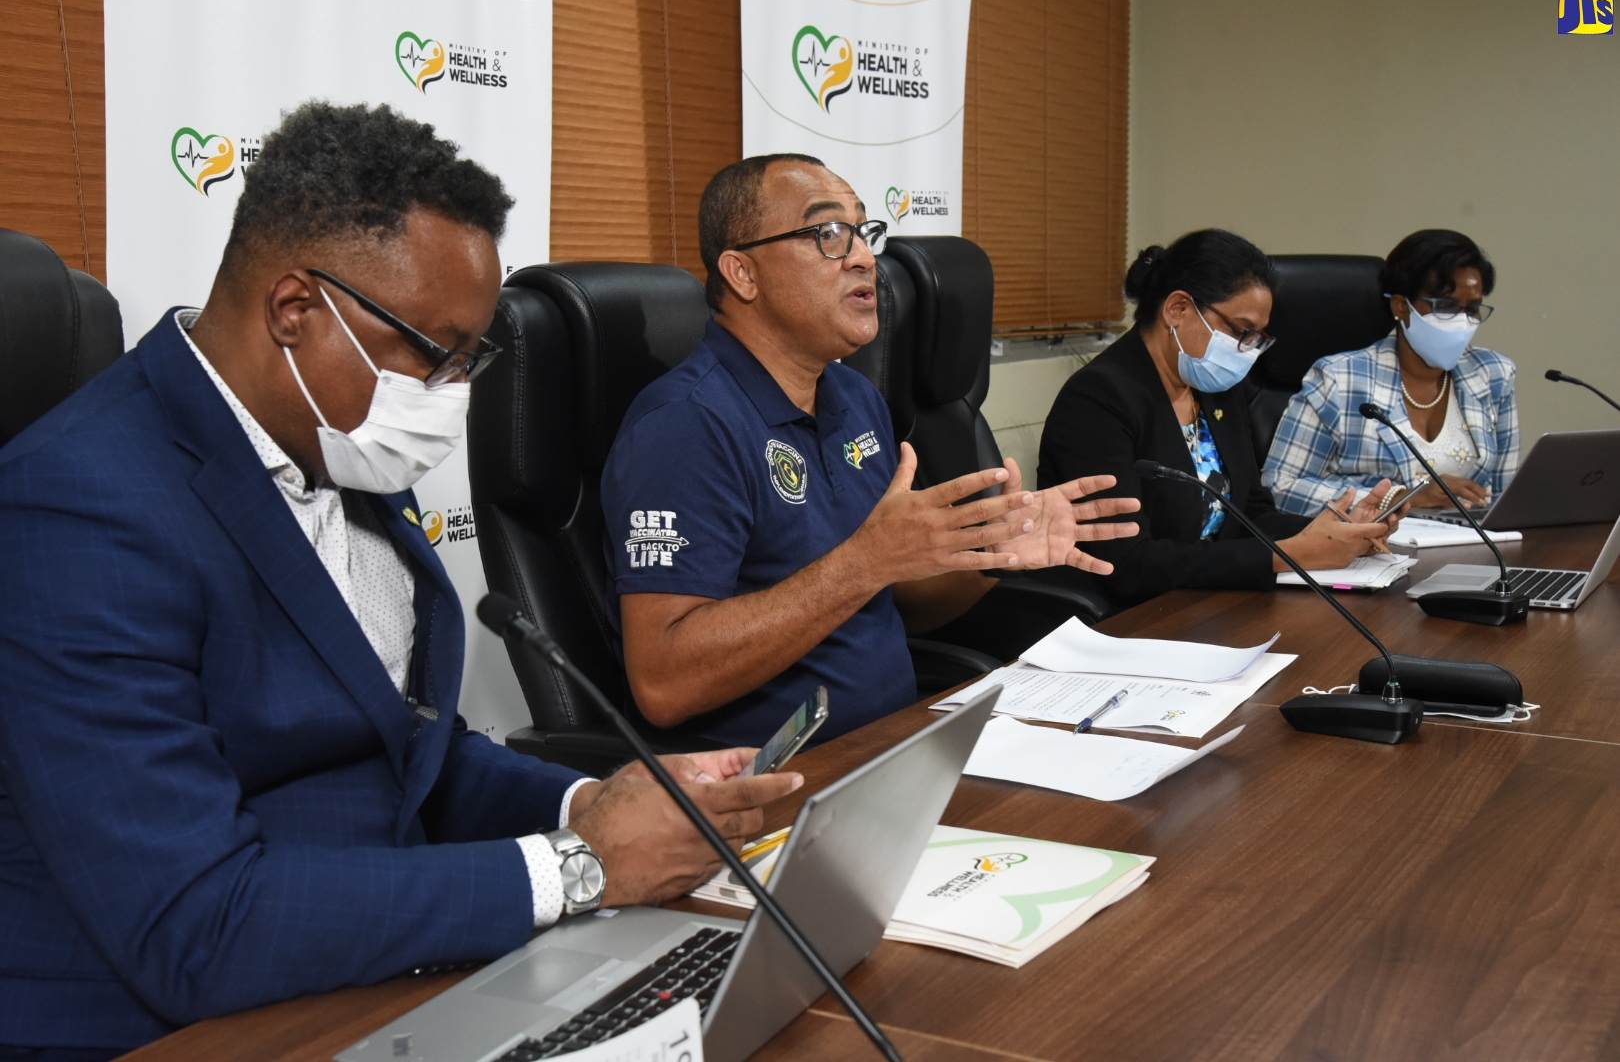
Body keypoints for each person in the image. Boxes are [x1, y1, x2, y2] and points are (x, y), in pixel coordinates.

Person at [0, 102, 799, 1060]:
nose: (449, 396)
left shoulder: (341, 444)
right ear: (296, 311)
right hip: (175, 1025)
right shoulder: (78, 505)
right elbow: (193, 924)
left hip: (383, 970)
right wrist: (577, 870)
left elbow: (407, 755)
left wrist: (586, 806)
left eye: (472, 358)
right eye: (431, 353)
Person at [600, 153, 1139, 747]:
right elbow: (663, 684)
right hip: (768, 790)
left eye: (863, 231)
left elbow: (896, 606)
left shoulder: (854, 397)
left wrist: (988, 551)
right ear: (742, 274)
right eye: (827, 233)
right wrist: (865, 561)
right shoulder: (684, 426)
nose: (862, 256)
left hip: (897, 749)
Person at [1037, 229, 1394, 610]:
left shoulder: (1213, 385)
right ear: (1178, 309)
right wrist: (1285, 555)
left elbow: (1249, 512)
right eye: (1241, 331)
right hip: (1130, 618)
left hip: (1213, 602)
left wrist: (1337, 532)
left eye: (1257, 337)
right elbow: (1127, 563)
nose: (1247, 351)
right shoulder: (1099, 399)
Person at [1263, 229, 1518, 515]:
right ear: (1401, 306)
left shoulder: (1494, 374)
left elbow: (1504, 496)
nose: (1462, 321)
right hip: (1368, 549)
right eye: (1445, 306)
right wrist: (1401, 497)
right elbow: (1279, 487)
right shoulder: (1339, 379)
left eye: (1471, 309)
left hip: (1470, 545)